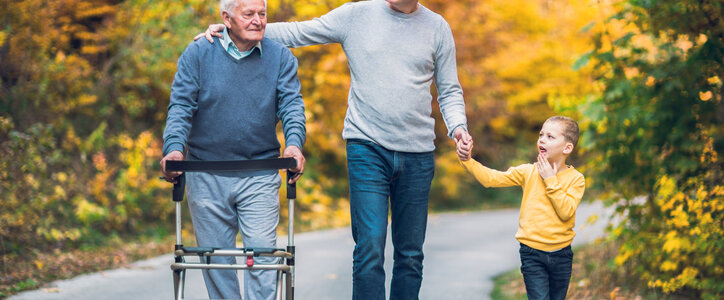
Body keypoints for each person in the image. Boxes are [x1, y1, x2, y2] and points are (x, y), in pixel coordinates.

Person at [194, 0, 471, 299]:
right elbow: (298, 32)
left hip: (418, 154)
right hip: (367, 147)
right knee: (369, 248)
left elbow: (449, 89)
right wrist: (234, 29)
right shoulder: (356, 15)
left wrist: (458, 127)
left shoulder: (437, 27)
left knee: (410, 254)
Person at [160, 0, 306, 299]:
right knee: (216, 261)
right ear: (226, 18)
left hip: (260, 173)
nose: (258, 21)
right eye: (249, 14)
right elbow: (181, 106)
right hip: (206, 173)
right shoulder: (198, 53)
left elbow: (292, 106)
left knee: (264, 259)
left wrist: (293, 143)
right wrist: (174, 149)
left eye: (262, 14)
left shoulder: (281, 57)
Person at [456, 116, 585, 300]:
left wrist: (550, 179)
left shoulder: (576, 179)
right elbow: (491, 179)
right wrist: (468, 160)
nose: (542, 139)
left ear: (567, 148)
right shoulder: (528, 172)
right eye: (541, 134)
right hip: (532, 252)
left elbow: (566, 212)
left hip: (561, 254)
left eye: (550, 136)